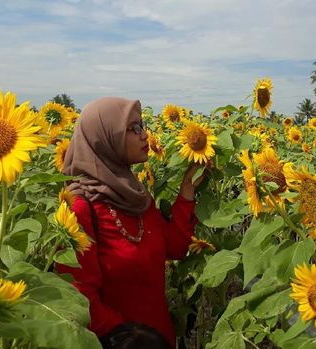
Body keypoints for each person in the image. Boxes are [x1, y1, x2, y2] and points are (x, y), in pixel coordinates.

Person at [56, 97, 209, 348]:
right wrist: (133, 338)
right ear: (104, 138)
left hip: (161, 337)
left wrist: (187, 192)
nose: (144, 135)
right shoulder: (80, 208)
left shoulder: (136, 196)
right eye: (133, 128)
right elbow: (79, 299)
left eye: (142, 126)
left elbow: (176, 246)